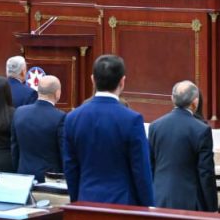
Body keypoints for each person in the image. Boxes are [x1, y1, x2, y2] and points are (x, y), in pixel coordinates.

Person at [61, 55, 153, 205]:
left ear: (92, 80)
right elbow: (141, 171)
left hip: (86, 200)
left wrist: (77, 202)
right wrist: (148, 206)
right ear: (122, 82)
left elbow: (70, 168)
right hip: (122, 205)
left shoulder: (72, 118)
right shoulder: (132, 120)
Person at [148, 80, 216, 211]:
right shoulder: (201, 130)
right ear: (195, 102)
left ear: (172, 99)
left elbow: (150, 165)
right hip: (189, 202)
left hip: (159, 198)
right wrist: (212, 207)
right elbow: (206, 173)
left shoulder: (155, 126)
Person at [11, 75, 66, 182]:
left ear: (38, 91)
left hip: (23, 175)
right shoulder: (60, 117)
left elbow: (14, 149)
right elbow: (63, 152)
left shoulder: (19, 112)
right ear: (57, 93)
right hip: (49, 179)